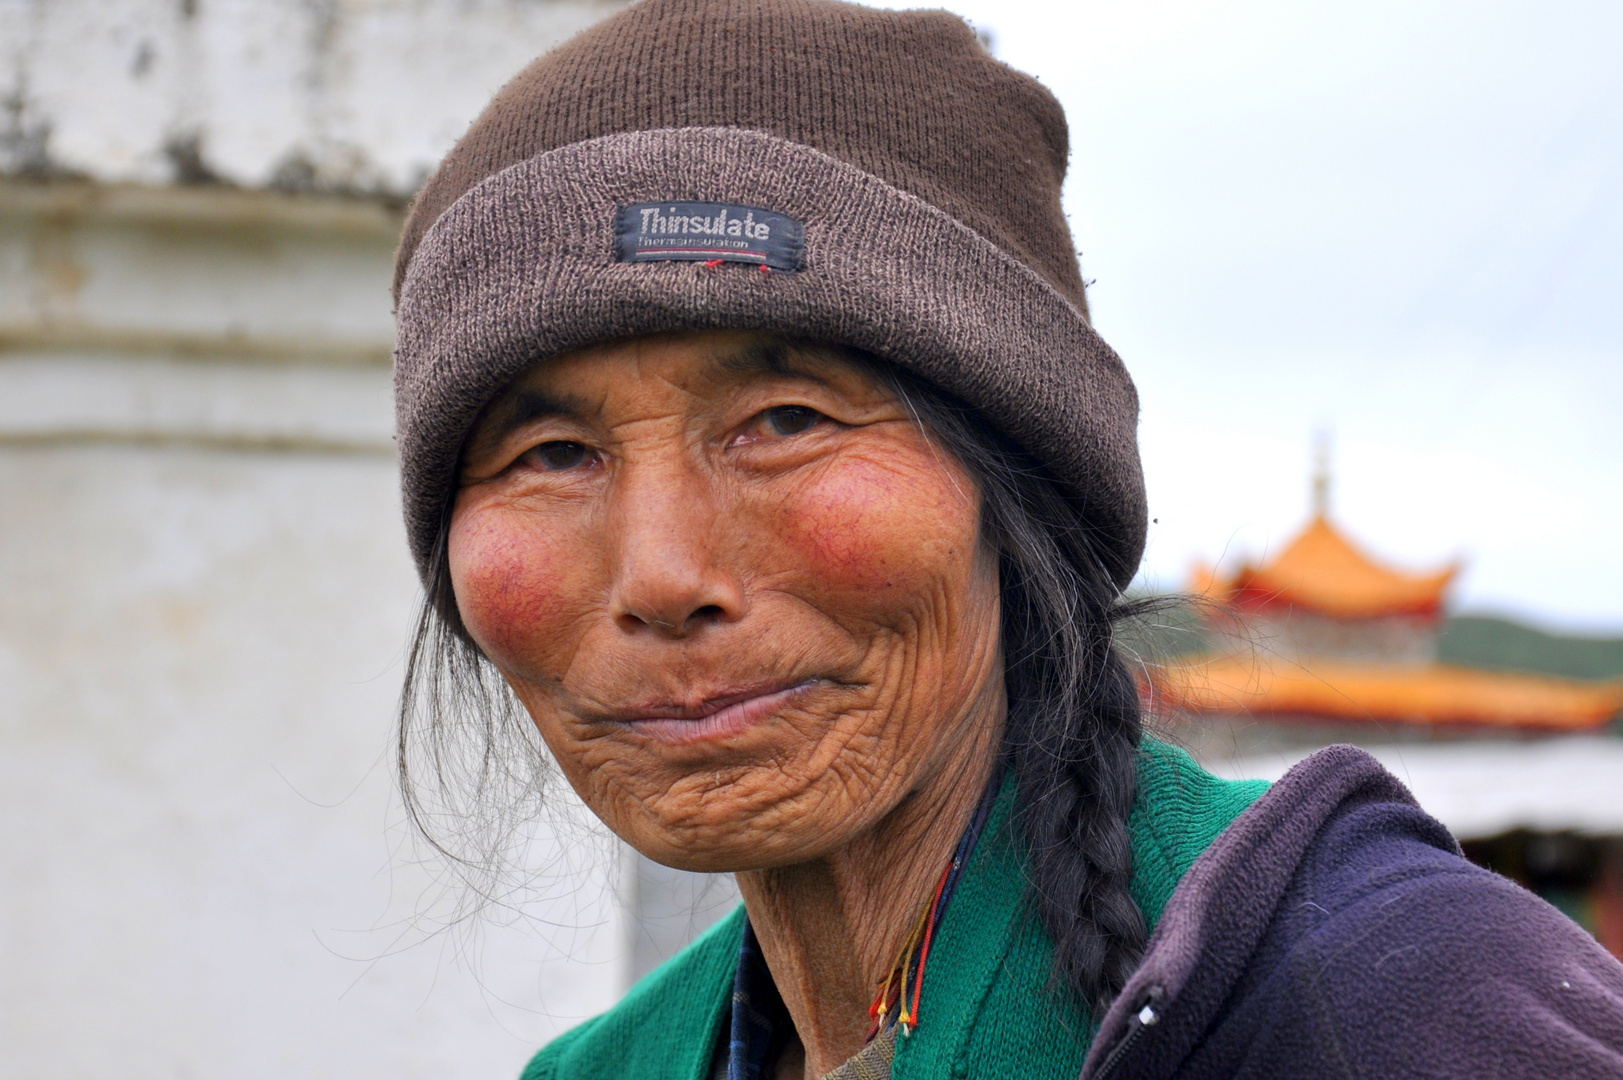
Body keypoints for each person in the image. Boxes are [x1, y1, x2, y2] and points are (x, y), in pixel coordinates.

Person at [387, 1, 1623, 1077]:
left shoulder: (1387, 1001)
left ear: (1014, 487)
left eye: (784, 421)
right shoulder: (608, 1069)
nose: (662, 575)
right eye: (550, 456)